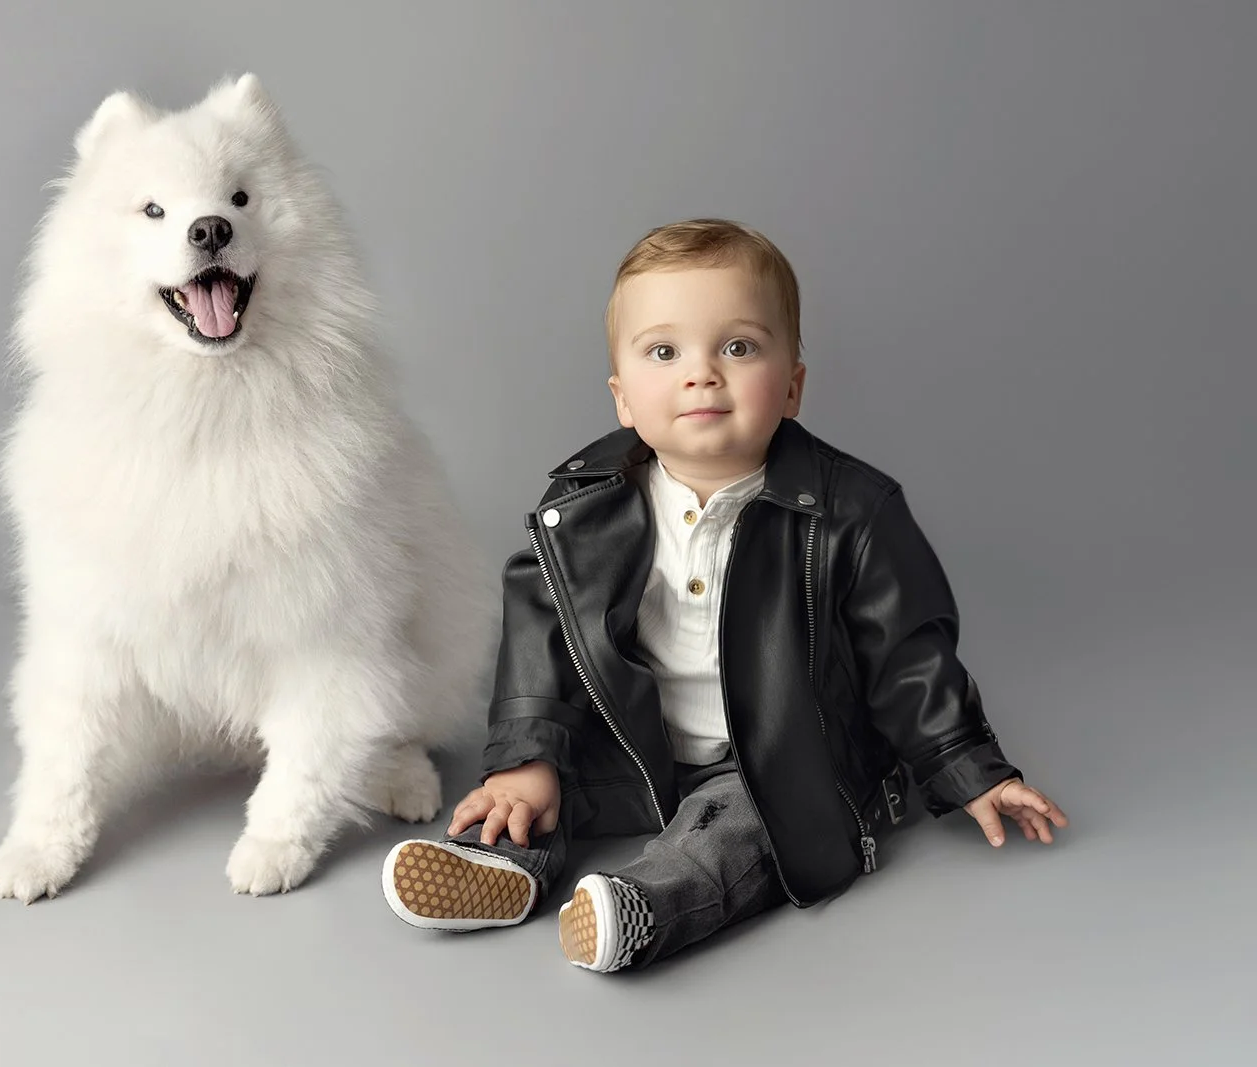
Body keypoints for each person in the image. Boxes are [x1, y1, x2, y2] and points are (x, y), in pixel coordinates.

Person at [380, 218, 1069, 973]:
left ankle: (645, 904)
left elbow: (909, 658)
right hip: (637, 749)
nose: (701, 373)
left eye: (738, 347)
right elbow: (542, 645)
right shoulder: (582, 508)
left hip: (779, 756)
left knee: (741, 830)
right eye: (664, 351)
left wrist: (973, 771)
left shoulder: (853, 511)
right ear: (621, 396)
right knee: (540, 788)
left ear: (794, 384)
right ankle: (499, 866)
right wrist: (526, 757)